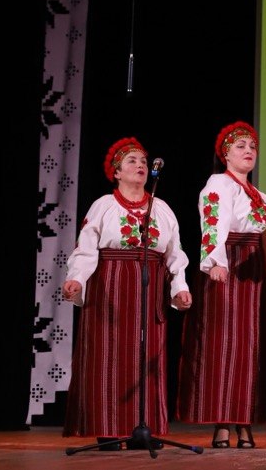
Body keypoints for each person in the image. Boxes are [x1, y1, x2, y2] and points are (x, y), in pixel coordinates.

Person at [62, 137, 192, 450]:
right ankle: (108, 430)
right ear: (116, 172)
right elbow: (86, 248)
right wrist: (76, 278)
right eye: (132, 161)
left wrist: (180, 288)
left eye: (144, 161)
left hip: (148, 288)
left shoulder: (161, 209)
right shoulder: (104, 205)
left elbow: (175, 253)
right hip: (110, 288)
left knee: (145, 358)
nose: (140, 165)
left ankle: (141, 429)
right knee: (108, 357)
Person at [177, 122, 266, 449]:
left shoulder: (262, 197)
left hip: (252, 269)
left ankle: (244, 421)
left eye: (252, 147)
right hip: (227, 263)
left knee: (250, 346)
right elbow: (213, 223)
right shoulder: (219, 183)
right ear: (226, 155)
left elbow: (263, 242)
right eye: (240, 146)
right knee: (223, 345)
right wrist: (215, 262)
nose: (249, 151)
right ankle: (222, 422)